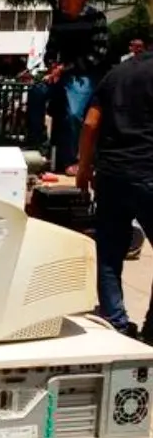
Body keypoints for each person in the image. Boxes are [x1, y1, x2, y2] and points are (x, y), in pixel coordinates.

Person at [76, 45, 153, 341]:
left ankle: (116, 321)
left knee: (109, 253)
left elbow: (90, 123)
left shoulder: (116, 74)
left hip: (111, 175)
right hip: (148, 172)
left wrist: (84, 169)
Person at [28, 0, 108, 175]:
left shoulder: (96, 17)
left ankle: (74, 159)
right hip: (60, 73)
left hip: (84, 75)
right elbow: (51, 49)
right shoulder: (59, 19)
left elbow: (97, 54)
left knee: (74, 113)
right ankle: (40, 144)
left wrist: (66, 68)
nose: (62, 3)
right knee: (36, 92)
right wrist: (51, 65)